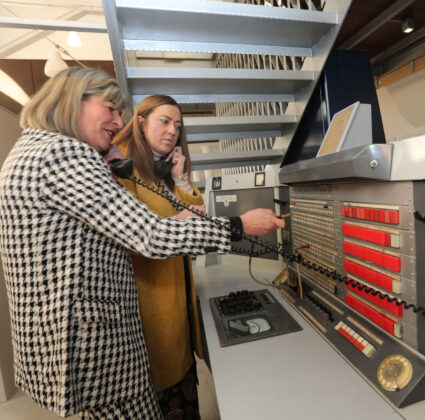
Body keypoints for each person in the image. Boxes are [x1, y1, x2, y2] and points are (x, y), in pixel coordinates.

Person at [0, 67, 284, 420]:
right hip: (95, 342)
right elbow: (149, 236)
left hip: (63, 336)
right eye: (111, 109)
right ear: (74, 100)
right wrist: (239, 225)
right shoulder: (64, 153)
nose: (119, 122)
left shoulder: (32, 149)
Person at [111, 95, 207, 419]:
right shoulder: (124, 166)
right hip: (150, 297)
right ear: (140, 121)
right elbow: (132, 234)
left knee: (181, 381)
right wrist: (179, 221)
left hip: (174, 291)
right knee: (162, 387)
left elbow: (197, 212)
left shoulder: (160, 167)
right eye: (164, 121)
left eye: (177, 125)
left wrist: (180, 176)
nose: (172, 131)